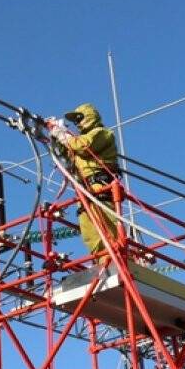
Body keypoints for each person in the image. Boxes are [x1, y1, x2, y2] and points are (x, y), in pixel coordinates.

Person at [47, 103, 121, 260]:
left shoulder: (102, 133)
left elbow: (83, 146)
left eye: (79, 118)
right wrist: (55, 137)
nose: (77, 123)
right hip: (84, 190)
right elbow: (67, 155)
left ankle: (115, 259)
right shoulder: (76, 140)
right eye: (75, 120)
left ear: (90, 116)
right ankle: (101, 260)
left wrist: (62, 133)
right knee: (89, 231)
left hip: (100, 185)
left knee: (106, 226)